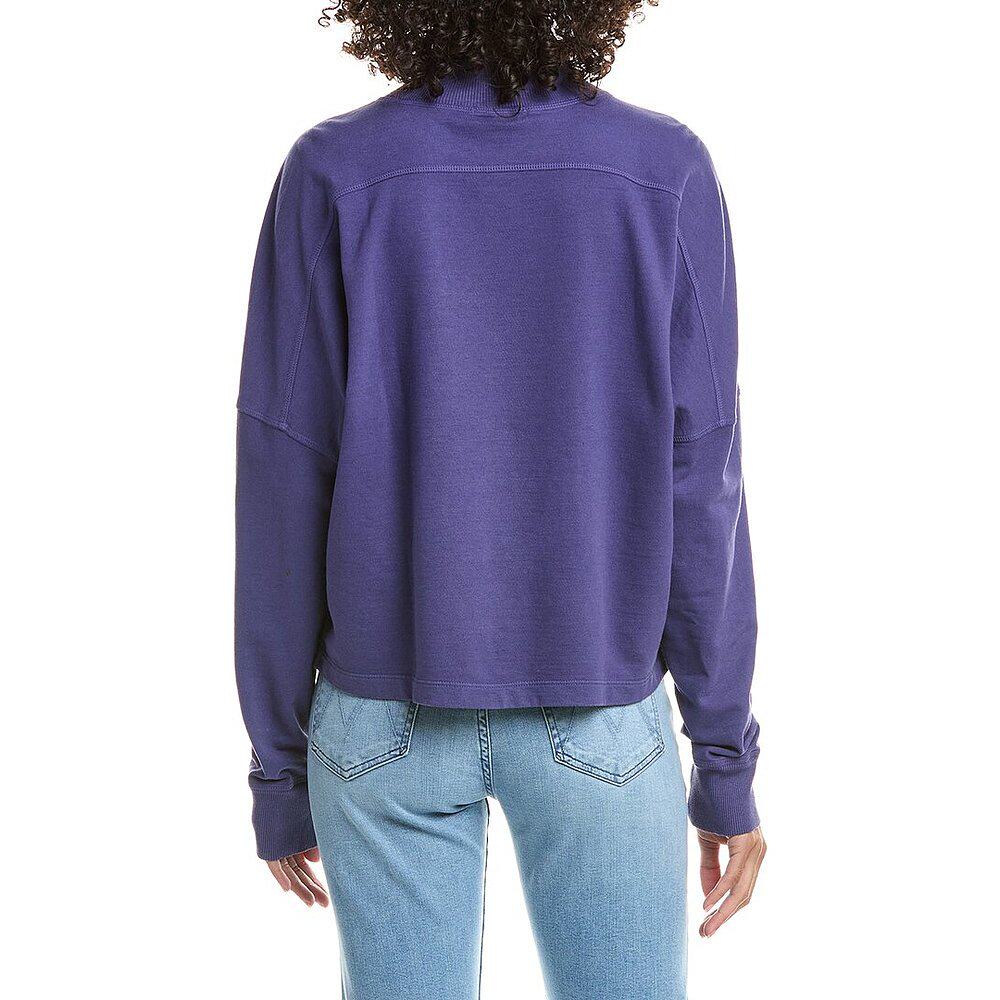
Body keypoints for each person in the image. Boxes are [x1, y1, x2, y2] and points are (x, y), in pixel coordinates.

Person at [235, 2, 766, 997]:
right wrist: (724, 760)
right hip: (599, 710)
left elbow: (281, 478)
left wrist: (278, 767)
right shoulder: (662, 170)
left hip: (381, 716)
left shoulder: (334, 169)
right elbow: (703, 478)